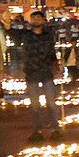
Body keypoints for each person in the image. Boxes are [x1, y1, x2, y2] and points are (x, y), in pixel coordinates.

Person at [15, 10, 61, 141]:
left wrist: (56, 66)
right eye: (33, 18)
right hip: (32, 73)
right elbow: (11, 32)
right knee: (35, 105)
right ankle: (37, 131)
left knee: (51, 103)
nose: (35, 20)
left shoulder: (48, 35)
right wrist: (6, 22)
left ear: (43, 20)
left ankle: (55, 129)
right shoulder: (26, 35)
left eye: (38, 18)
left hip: (47, 73)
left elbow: (52, 52)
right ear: (30, 21)